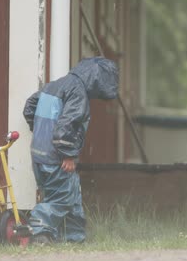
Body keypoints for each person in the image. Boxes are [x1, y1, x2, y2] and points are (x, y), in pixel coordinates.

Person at [23, 57, 119, 244]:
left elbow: (30, 107)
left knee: (71, 194)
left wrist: (40, 131)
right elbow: (67, 124)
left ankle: (73, 238)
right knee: (62, 198)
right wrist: (68, 154)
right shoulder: (78, 91)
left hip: (38, 154)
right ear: (97, 79)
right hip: (56, 157)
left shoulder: (54, 85)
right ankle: (38, 230)